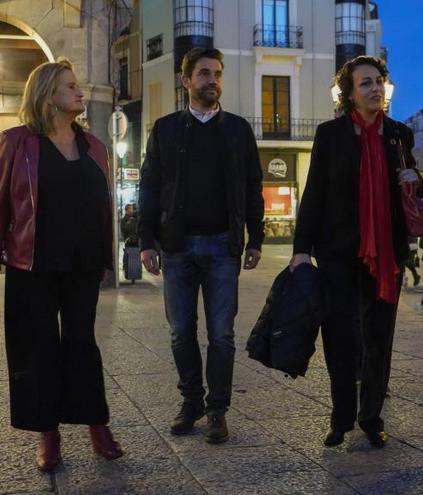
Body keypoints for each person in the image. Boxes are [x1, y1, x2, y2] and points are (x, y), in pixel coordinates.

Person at [0, 59, 123, 472]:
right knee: (37, 349)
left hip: (82, 263)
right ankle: (48, 433)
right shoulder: (18, 142)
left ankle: (97, 424)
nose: (80, 92)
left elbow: (101, 205)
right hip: (31, 262)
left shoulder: (94, 145)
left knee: (82, 345)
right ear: (47, 95)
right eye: (71, 86)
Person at [291, 55, 421, 449]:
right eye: (365, 83)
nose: (375, 88)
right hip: (338, 252)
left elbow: (409, 185)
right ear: (348, 93)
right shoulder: (330, 135)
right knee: (340, 336)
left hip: (386, 252)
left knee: (379, 338)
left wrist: (416, 178)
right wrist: (300, 249)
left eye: (379, 81)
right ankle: (341, 415)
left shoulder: (399, 134)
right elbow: (314, 193)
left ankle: (371, 417)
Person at [138, 47, 264, 445]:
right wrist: (146, 240)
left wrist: (255, 237)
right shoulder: (165, 129)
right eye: (205, 73)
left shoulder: (238, 129)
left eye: (217, 74)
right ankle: (191, 402)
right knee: (180, 332)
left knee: (222, 334)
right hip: (176, 246)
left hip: (222, 246)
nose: (213, 80)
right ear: (186, 81)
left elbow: (252, 187)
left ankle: (217, 411)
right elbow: (150, 188)